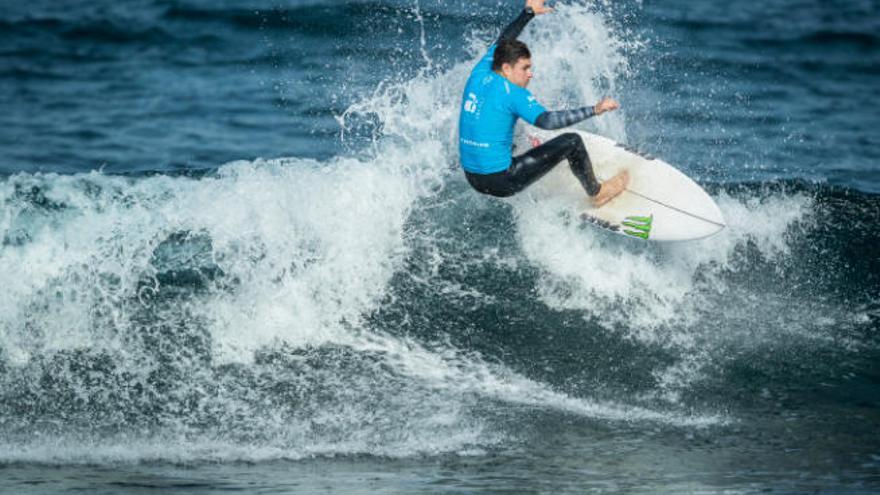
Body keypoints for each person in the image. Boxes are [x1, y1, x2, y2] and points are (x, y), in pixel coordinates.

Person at [458, 0, 629, 206]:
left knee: (508, 126)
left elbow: (504, 39)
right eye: (525, 68)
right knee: (572, 142)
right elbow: (547, 121)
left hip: (471, 176)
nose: (531, 74)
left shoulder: (479, 72)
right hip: (502, 182)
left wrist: (528, 13)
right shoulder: (513, 93)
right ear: (506, 68)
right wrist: (595, 109)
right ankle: (598, 192)